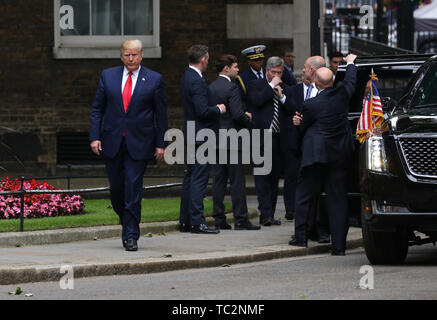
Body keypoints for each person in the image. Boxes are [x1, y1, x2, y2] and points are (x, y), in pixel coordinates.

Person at [89, 40, 168, 251]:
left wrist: (161, 144)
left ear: (141, 55)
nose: (131, 59)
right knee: (116, 189)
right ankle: (127, 220)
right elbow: (98, 108)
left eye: (134, 55)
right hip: (112, 140)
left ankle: (131, 234)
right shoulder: (108, 76)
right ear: (121, 56)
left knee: (133, 188)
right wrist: (94, 137)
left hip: (140, 142)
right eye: (127, 55)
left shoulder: (154, 79)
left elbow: (161, 116)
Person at [289, 54, 358, 256]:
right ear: (333, 81)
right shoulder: (343, 94)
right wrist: (351, 63)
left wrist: (297, 123)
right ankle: (339, 247)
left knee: (304, 196)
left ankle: (301, 238)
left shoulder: (310, 105)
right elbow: (351, 80)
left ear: (316, 83)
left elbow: (303, 127)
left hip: (315, 156)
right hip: (339, 156)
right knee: (338, 199)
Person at [209, 54, 261, 231]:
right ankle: (241, 219)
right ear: (226, 68)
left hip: (216, 138)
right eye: (235, 67)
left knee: (219, 180)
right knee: (237, 181)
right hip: (232, 139)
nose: (238, 70)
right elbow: (238, 115)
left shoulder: (211, 87)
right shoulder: (232, 88)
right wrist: (248, 117)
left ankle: (219, 218)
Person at [179, 44, 226, 234]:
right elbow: (202, 110)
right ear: (204, 59)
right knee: (199, 178)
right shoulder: (196, 80)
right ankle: (197, 222)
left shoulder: (187, 76)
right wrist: (219, 109)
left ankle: (186, 220)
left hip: (193, 133)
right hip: (201, 135)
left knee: (190, 177)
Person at [287, 56, 331, 244]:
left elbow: (316, 118)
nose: (303, 71)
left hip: (319, 151)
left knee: (315, 194)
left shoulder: (325, 94)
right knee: (308, 193)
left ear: (313, 70)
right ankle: (308, 229)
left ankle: (313, 231)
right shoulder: (308, 91)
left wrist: (301, 122)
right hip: (303, 148)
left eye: (305, 68)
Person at [247, 56, 294, 227]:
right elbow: (257, 100)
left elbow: (292, 107)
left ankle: (270, 214)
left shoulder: (285, 87)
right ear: (267, 71)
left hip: (278, 138)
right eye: (273, 72)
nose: (276, 75)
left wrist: (281, 96)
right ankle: (264, 213)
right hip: (261, 138)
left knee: (274, 179)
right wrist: (271, 85)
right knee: (262, 177)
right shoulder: (256, 85)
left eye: (279, 73)